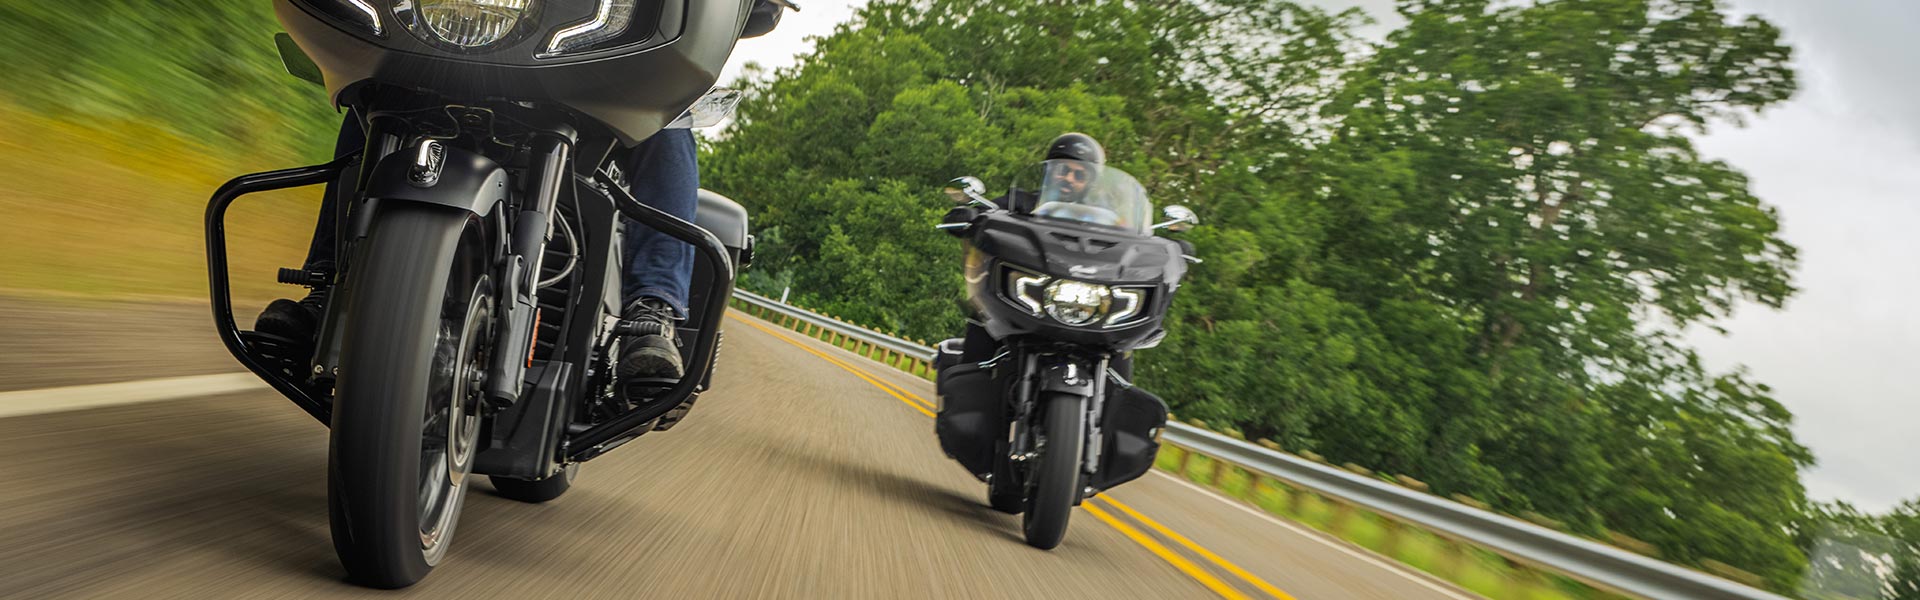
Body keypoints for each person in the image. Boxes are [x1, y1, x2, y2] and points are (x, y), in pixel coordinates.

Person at [258, 0, 795, 385]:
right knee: (375, 93)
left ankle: (652, 312)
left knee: (669, 119)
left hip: (590, 44)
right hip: (449, 29)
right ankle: (329, 284)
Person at [949, 132, 1135, 381]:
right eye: (1063, 170)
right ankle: (969, 386)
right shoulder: (1019, 202)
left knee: (1122, 336)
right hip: (1025, 299)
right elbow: (989, 211)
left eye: (1079, 175)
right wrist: (970, 216)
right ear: (1049, 170)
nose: (1069, 178)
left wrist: (1167, 246)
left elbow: (1132, 239)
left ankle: (1117, 394)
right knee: (984, 311)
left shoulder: (1106, 219)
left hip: (1083, 305)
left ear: (1089, 182)